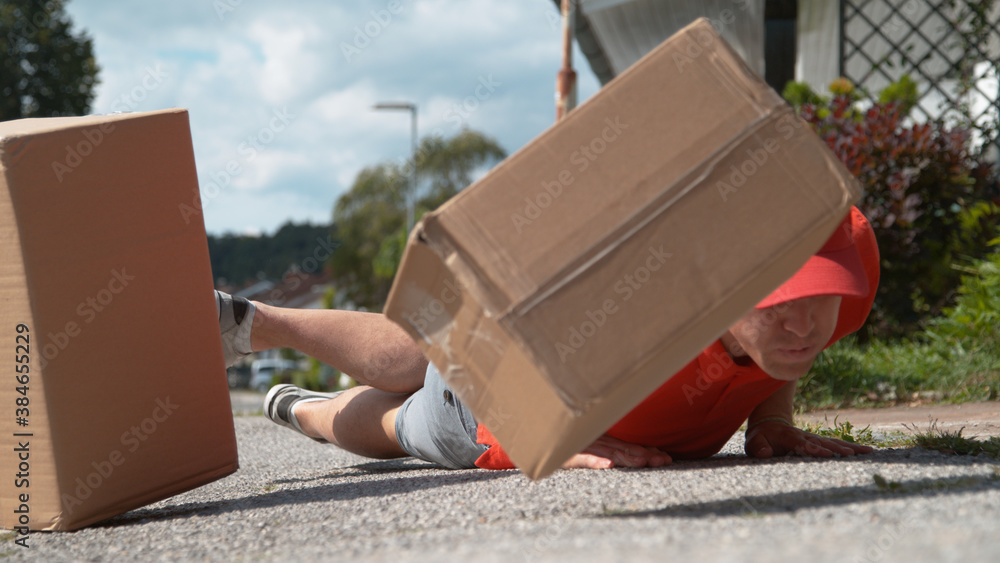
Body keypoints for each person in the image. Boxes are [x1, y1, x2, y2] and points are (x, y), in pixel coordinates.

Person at [217, 206, 879, 471]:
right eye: (779, 303)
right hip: (496, 402)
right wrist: (554, 441)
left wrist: (771, 419)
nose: (803, 324)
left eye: (822, 296)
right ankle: (255, 321)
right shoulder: (646, 306)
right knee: (416, 357)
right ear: (722, 294)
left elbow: (776, 356)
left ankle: (297, 406)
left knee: (390, 427)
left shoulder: (807, 317)